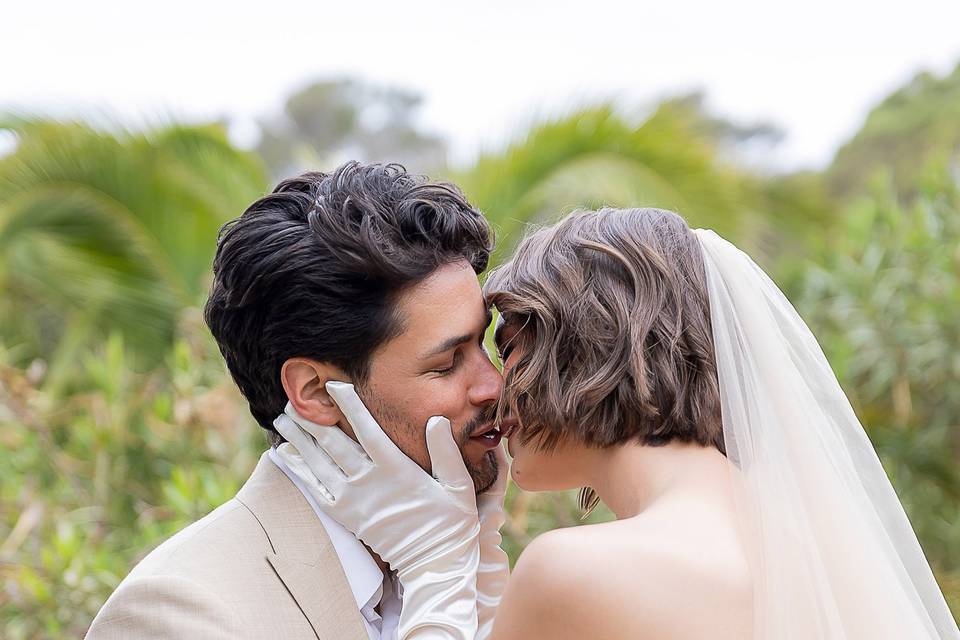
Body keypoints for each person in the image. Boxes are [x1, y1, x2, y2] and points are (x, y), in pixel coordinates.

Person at [279, 207, 960, 638]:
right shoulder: (811, 543)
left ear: (581, 351)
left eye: (508, 346)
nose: (492, 388)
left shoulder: (572, 572)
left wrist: (434, 568)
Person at [86, 162, 510, 639]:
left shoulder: (463, 558)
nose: (492, 385)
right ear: (315, 392)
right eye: (447, 363)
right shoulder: (179, 612)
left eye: (485, 344)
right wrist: (439, 578)